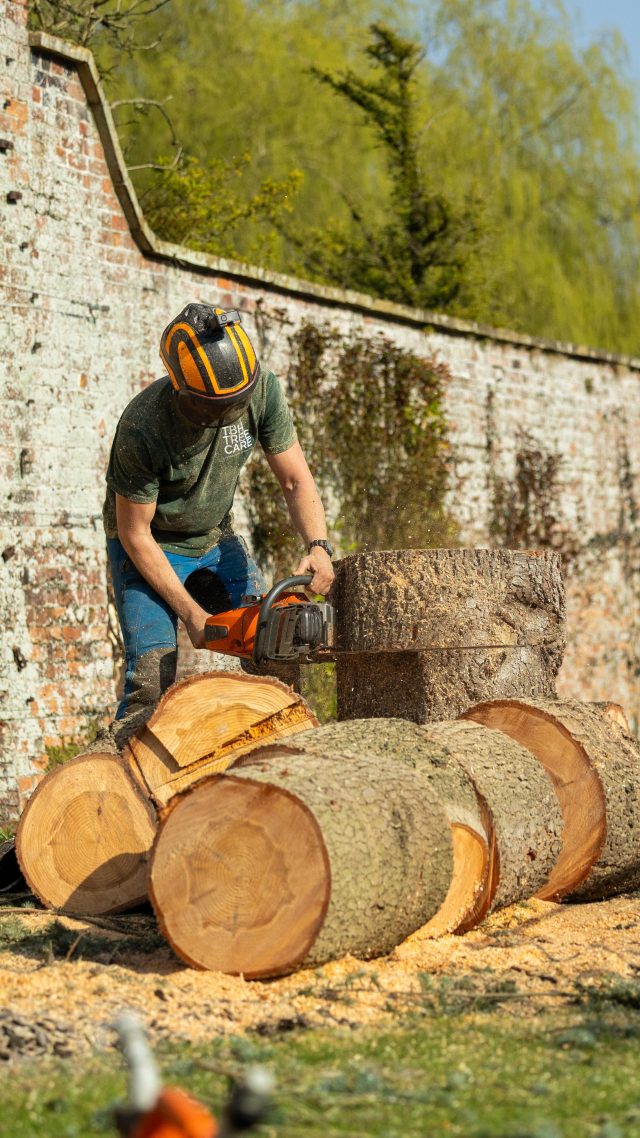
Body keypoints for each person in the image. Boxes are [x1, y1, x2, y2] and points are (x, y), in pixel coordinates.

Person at [102, 301, 335, 745]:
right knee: (151, 678)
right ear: (182, 390)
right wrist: (191, 614)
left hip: (213, 537)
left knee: (277, 643)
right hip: (150, 546)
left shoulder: (262, 390)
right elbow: (134, 532)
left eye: (238, 403)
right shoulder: (143, 427)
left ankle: (287, 760)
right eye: (217, 407)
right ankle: (121, 789)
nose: (231, 413)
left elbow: (294, 479)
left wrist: (319, 545)